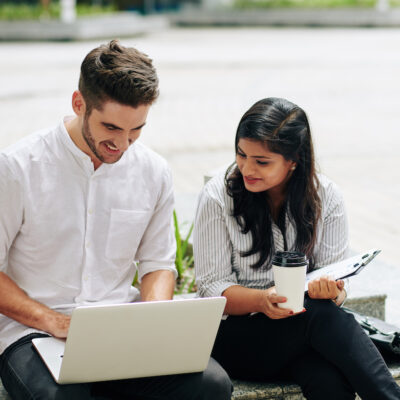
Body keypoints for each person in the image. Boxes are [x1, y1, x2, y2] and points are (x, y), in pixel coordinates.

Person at [0, 40, 232, 400]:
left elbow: (158, 263)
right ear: (79, 103)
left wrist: (154, 321)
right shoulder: (17, 168)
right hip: (32, 333)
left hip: (121, 331)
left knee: (212, 386)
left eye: (136, 129)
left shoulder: (153, 172)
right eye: (111, 127)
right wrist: (54, 321)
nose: (123, 144)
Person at [193, 97, 400, 399]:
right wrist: (263, 301)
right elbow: (211, 287)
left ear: (293, 161)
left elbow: (338, 285)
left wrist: (334, 291)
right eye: (241, 154)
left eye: (261, 161)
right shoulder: (218, 196)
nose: (247, 168)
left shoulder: (326, 197)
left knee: (328, 380)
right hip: (237, 338)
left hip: (301, 335)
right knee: (319, 315)